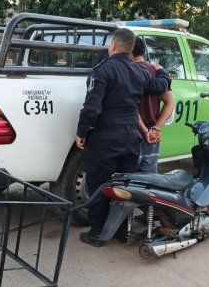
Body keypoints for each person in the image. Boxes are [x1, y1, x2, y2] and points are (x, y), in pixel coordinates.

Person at [75, 28, 171, 247]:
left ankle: (97, 234)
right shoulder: (140, 72)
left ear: (113, 46)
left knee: (100, 185)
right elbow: (161, 86)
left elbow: (91, 108)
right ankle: (119, 231)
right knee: (123, 186)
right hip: (131, 137)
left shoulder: (102, 71)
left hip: (106, 138)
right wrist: (162, 70)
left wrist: (81, 132)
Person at [131, 37, 175, 173]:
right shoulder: (157, 72)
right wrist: (156, 128)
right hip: (152, 135)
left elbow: (130, 106)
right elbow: (170, 102)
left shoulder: (127, 71)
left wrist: (145, 130)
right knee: (148, 183)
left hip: (132, 133)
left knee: (126, 184)